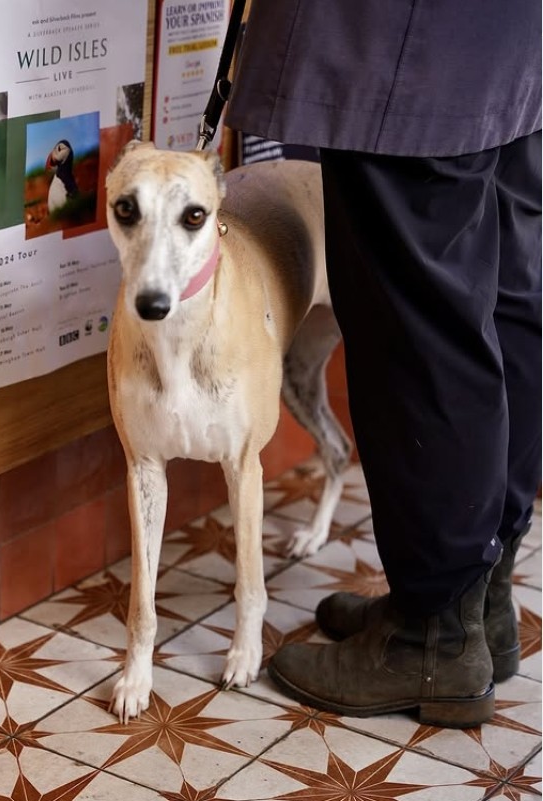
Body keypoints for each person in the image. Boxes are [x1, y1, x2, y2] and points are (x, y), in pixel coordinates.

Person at [225, 0, 541, 729]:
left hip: (413, 35)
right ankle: (479, 596)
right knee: (500, 272)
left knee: (420, 304)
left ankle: (434, 633)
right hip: (505, 34)